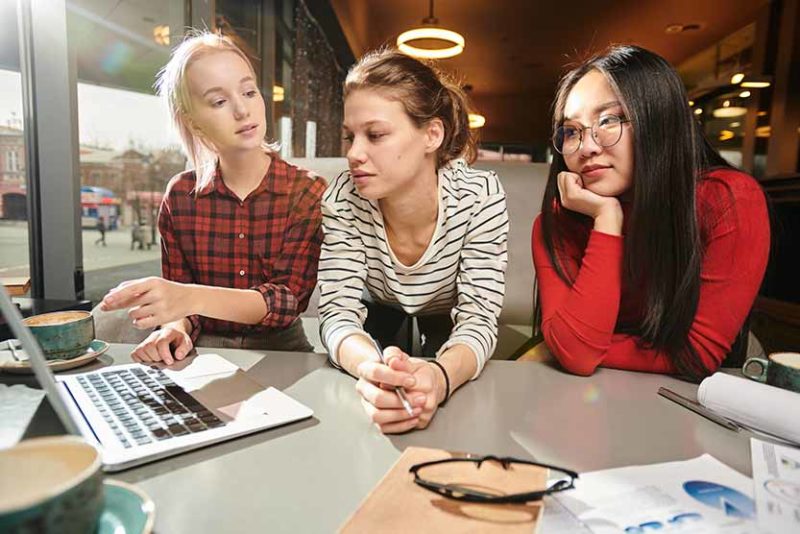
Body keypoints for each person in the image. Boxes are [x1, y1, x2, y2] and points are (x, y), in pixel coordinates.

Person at [532, 45, 769, 380]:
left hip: (715, 381)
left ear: (657, 119)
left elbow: (696, 354)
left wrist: (568, 345)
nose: (586, 147)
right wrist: (607, 220)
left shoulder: (728, 200)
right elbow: (579, 355)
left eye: (608, 120)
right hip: (606, 386)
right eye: (571, 130)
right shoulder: (558, 221)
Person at [100, 31, 325, 364]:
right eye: (219, 101)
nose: (241, 109)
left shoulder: (306, 191)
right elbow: (180, 300)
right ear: (194, 123)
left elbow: (285, 302)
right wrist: (174, 327)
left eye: (249, 92)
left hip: (283, 351)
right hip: (203, 351)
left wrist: (187, 298)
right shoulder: (179, 196)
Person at [318, 49, 509, 433]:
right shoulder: (342, 199)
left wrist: (438, 378)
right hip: (376, 317)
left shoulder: (480, 196)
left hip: (448, 318)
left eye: (375, 135)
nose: (354, 153)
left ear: (432, 135)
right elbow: (337, 312)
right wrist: (373, 372)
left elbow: (478, 317)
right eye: (349, 136)